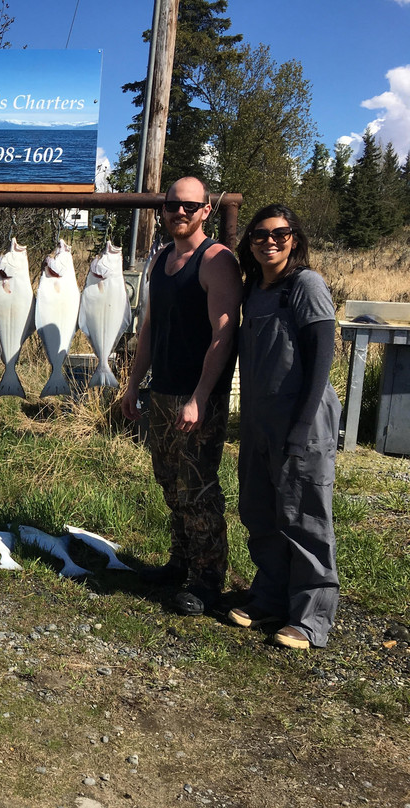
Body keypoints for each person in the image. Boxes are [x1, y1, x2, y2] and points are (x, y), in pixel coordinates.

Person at [122, 176, 243, 616]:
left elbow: (223, 335)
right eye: (173, 205)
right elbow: (150, 329)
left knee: (199, 490)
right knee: (171, 483)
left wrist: (200, 396)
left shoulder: (217, 261)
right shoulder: (160, 260)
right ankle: (181, 563)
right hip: (162, 393)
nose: (180, 212)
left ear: (206, 210)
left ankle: (208, 581)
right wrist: (134, 385)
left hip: (197, 398)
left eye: (190, 206)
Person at [229, 204, 341, 649]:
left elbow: (321, 358)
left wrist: (300, 428)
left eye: (279, 233)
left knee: (305, 516)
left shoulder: (306, 284)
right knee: (260, 511)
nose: (268, 241)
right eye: (259, 235)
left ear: (294, 237)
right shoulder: (255, 288)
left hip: (302, 421)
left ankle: (312, 617)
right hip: (258, 420)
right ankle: (270, 596)